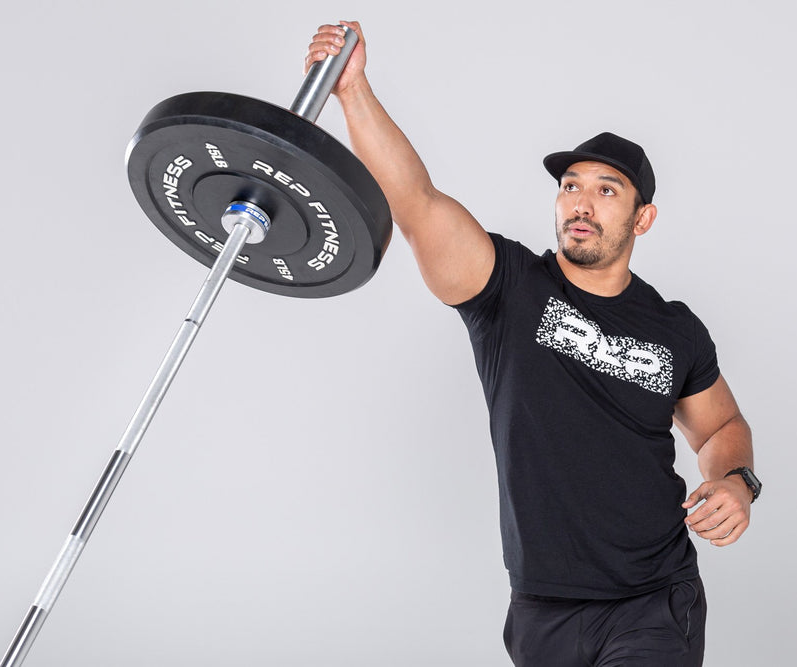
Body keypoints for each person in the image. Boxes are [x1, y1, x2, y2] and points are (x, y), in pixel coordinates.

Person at [306, 21, 760, 666]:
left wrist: (736, 482)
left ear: (642, 218)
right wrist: (354, 92)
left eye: (607, 191)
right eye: (571, 185)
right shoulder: (507, 288)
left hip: (653, 600)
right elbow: (417, 203)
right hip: (540, 607)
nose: (582, 202)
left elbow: (722, 426)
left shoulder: (674, 327)